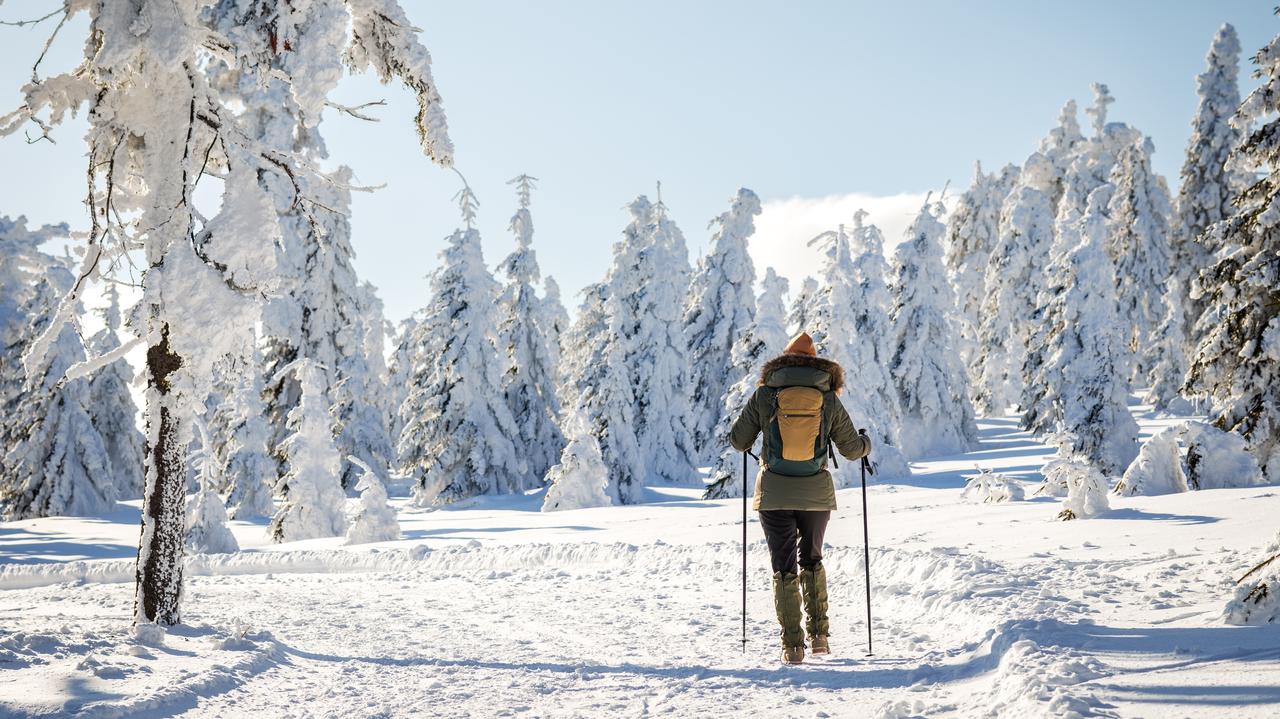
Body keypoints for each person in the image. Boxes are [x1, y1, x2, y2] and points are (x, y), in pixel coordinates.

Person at [728, 331, 871, 665]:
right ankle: (819, 637)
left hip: (775, 492)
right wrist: (866, 444)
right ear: (817, 362)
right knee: (812, 558)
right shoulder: (828, 397)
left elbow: (738, 440)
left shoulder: (766, 395)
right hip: (816, 494)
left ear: (784, 361)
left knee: (784, 566)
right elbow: (851, 450)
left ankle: (792, 647)